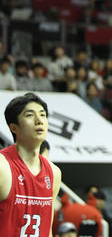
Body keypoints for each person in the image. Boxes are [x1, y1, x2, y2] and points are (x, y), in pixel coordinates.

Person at [0, 93, 62, 233]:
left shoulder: (54, 173)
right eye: (29, 115)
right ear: (13, 127)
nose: (39, 120)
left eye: (43, 115)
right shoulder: (3, 167)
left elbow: (47, 230)